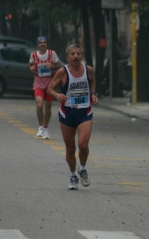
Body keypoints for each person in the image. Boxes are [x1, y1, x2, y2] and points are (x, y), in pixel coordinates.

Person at [47, 44, 98, 190]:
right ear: (67, 57)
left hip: (84, 112)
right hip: (67, 113)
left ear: (82, 56)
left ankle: (82, 168)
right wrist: (57, 95)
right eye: (72, 54)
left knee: (83, 145)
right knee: (70, 148)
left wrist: (93, 94)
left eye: (78, 54)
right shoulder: (62, 72)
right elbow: (50, 88)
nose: (75, 56)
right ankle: (73, 175)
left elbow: (93, 81)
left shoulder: (88, 70)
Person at [28, 36, 62, 139]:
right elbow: (29, 65)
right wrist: (31, 68)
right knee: (39, 105)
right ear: (37, 45)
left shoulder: (52, 54)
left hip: (49, 84)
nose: (43, 44)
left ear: (46, 44)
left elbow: (59, 65)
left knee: (47, 109)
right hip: (38, 82)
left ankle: (46, 129)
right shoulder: (33, 55)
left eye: (44, 42)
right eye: (40, 43)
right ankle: (40, 126)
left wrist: (52, 66)